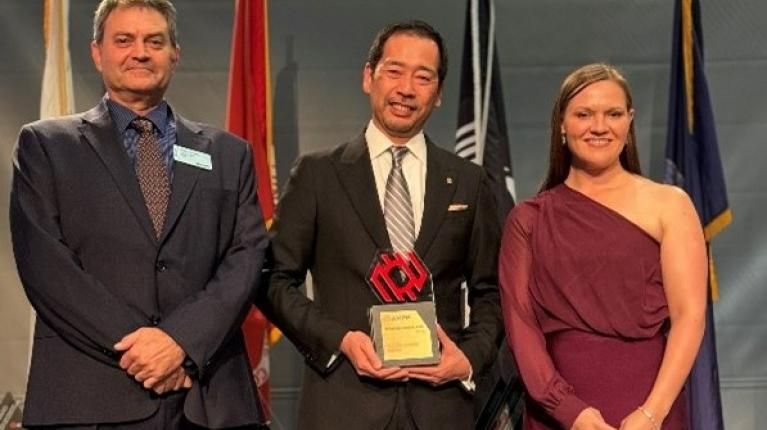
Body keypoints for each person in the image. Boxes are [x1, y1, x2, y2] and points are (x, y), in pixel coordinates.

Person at [10, 0, 268, 428]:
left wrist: (180, 342)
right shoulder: (47, 146)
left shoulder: (228, 153)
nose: (140, 52)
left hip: (208, 397)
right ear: (98, 52)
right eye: (124, 40)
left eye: (154, 41)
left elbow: (247, 258)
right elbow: (46, 268)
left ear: (175, 53)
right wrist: (148, 350)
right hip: (90, 397)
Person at [259, 20, 503, 430]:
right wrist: (340, 340)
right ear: (368, 77)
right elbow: (273, 279)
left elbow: (491, 291)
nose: (406, 88)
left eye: (423, 77)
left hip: (440, 408)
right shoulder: (318, 174)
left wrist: (469, 357)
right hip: (343, 403)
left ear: (439, 93)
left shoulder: (468, 181)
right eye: (394, 71)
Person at [499, 63, 707, 430]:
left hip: (651, 406)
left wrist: (652, 413)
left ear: (629, 121)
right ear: (561, 124)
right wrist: (569, 411)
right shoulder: (528, 219)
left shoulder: (670, 205)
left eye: (613, 114)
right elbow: (521, 327)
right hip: (558, 411)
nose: (599, 126)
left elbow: (689, 316)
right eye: (583, 114)